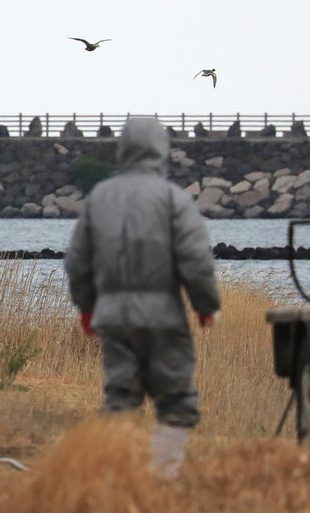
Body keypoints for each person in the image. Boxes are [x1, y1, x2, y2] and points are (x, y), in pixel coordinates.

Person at [64, 116, 221, 479]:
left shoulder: (100, 197)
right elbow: (195, 261)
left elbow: (77, 262)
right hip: (163, 315)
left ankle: (117, 474)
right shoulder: (173, 199)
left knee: (120, 396)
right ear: (161, 149)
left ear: (123, 149)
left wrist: (87, 307)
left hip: (113, 316)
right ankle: (165, 473)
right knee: (175, 398)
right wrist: (205, 306)